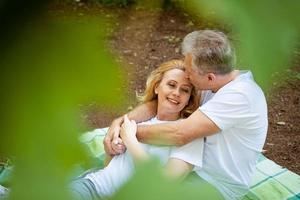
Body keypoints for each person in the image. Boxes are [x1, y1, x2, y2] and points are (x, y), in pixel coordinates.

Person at [104, 30, 268, 200]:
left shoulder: (240, 95)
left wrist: (129, 132)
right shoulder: (217, 82)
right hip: (189, 168)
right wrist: (123, 120)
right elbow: (163, 102)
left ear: (210, 77)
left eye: (189, 71)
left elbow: (179, 134)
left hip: (216, 184)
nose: (186, 75)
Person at [70, 59, 217, 199]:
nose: (177, 93)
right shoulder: (140, 119)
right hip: (94, 188)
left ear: (188, 99)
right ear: (157, 87)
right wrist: (112, 150)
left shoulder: (190, 135)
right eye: (171, 85)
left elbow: (163, 186)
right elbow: (111, 168)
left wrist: (131, 141)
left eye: (185, 90)